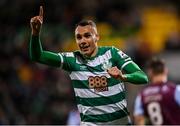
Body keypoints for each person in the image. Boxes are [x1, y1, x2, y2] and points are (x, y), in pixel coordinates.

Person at [29, 6, 148, 125]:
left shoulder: (112, 53)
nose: (83, 41)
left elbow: (143, 77)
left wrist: (123, 77)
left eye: (87, 36)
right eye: (78, 37)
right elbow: (38, 56)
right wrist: (35, 33)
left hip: (119, 122)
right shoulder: (72, 60)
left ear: (97, 37)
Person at [134, 58, 180, 125]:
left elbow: (138, 119)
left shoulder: (142, 95)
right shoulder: (175, 90)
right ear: (165, 71)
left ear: (150, 73)